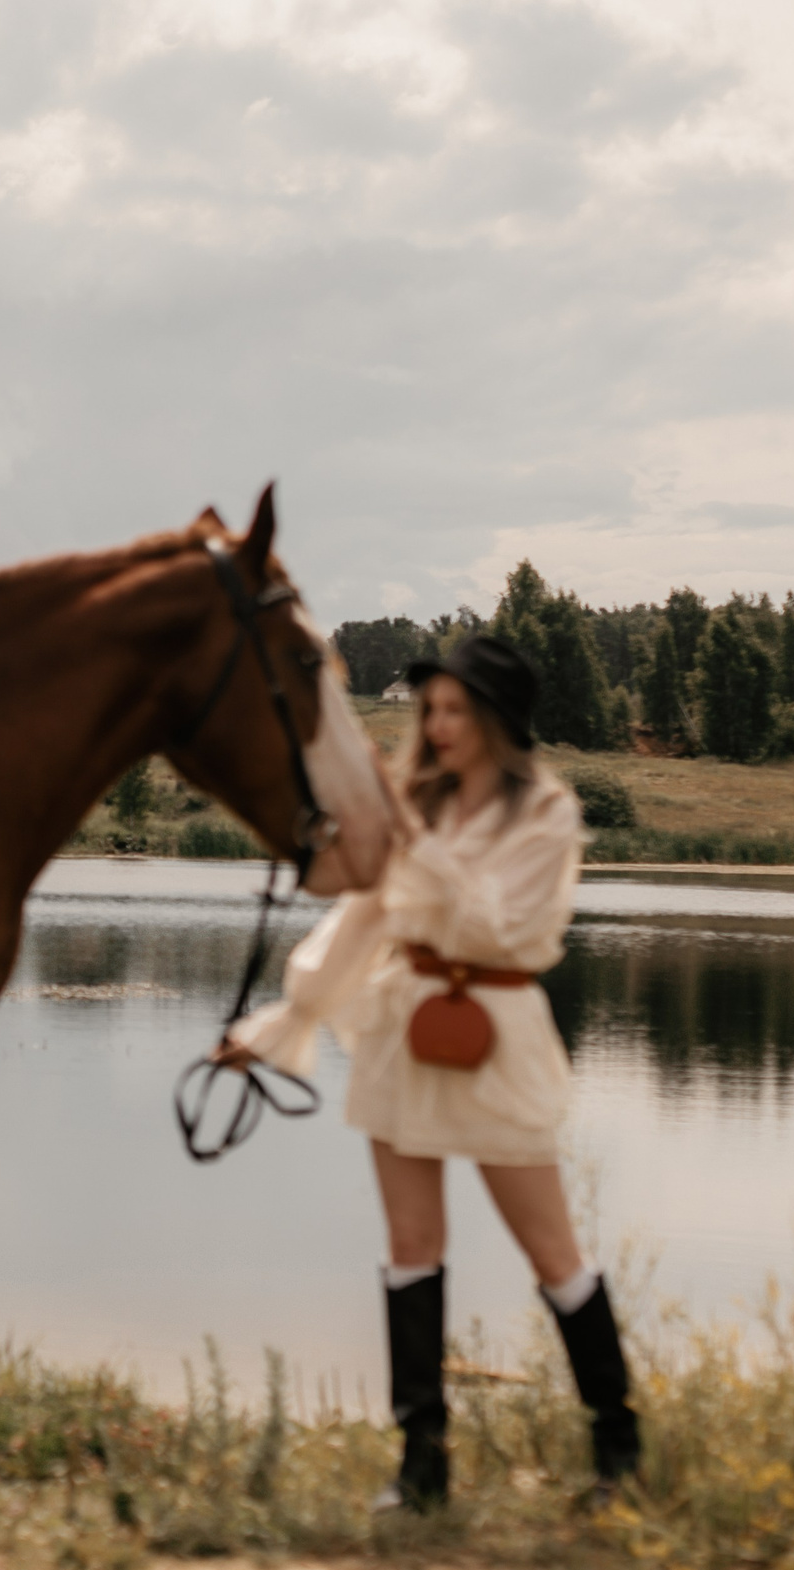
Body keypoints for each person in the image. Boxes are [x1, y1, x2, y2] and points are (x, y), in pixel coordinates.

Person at [217, 635, 638, 1512]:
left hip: (499, 1036)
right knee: (412, 1249)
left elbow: (497, 926)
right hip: (399, 1032)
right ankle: (421, 1467)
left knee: (552, 1251)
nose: (437, 725)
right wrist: (279, 1020)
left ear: (494, 719)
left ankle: (618, 1451)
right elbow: (364, 922)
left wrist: (414, 837)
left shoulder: (546, 814)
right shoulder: (417, 805)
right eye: (430, 709)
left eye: (454, 709)